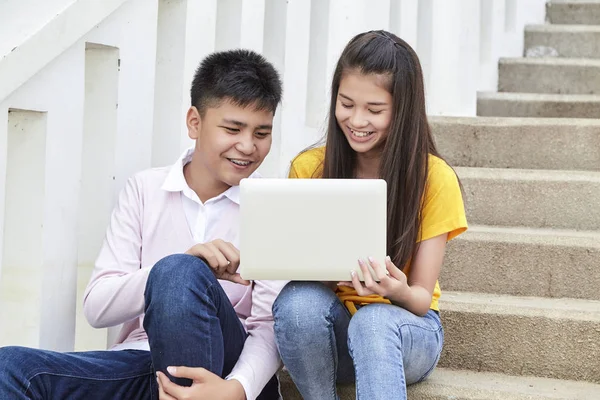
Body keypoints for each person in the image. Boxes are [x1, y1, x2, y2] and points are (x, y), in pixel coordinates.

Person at [0, 49, 285, 400]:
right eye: (232, 128)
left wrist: (236, 390)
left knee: (180, 273)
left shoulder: (272, 206)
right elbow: (98, 307)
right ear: (195, 122)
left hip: (230, 376)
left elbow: (268, 328)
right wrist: (177, 268)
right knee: (10, 367)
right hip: (141, 366)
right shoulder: (145, 190)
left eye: (262, 133)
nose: (247, 146)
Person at [272, 30, 468, 400]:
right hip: (334, 334)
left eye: (374, 110)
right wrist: (323, 272)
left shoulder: (434, 178)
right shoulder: (310, 167)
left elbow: (422, 298)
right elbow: (304, 281)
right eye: (346, 104)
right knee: (297, 302)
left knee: (373, 321)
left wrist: (395, 291)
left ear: (403, 109)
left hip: (408, 332)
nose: (357, 120)